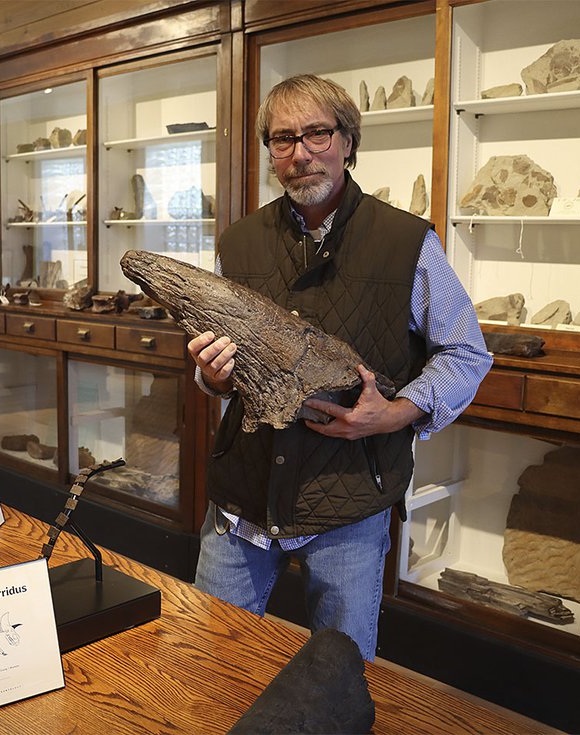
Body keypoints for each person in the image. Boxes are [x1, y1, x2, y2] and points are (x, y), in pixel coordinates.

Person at [187, 74, 492, 661]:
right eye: (282, 139)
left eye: (317, 133)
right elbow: (217, 366)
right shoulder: (239, 243)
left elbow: (465, 352)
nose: (300, 153)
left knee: (339, 676)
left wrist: (395, 414)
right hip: (244, 496)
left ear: (348, 140)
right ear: (271, 152)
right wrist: (212, 374)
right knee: (209, 659)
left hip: (350, 496)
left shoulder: (406, 242)